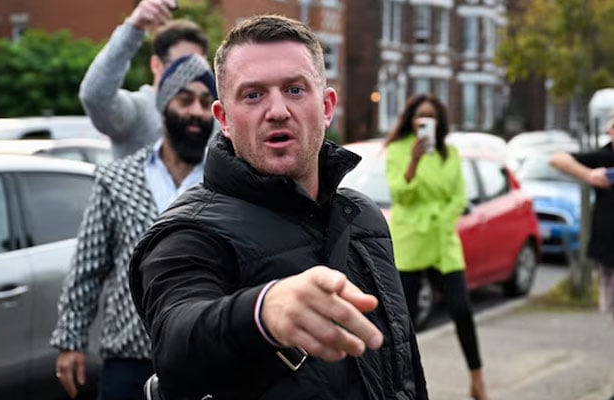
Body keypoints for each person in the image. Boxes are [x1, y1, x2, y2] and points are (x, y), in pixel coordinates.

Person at [129, 15, 428, 400]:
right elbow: (176, 342)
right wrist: (263, 312)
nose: (277, 110)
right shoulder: (189, 232)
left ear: (326, 107)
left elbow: (403, 365)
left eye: (294, 90)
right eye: (253, 95)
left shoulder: (364, 216)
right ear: (224, 120)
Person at [51, 53, 217, 400]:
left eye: (206, 102)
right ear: (163, 105)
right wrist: (70, 341)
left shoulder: (222, 180)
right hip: (128, 358)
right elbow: (87, 267)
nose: (196, 112)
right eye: (185, 99)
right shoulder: (117, 178)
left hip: (203, 357)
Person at [383, 93, 490, 400]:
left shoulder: (450, 154)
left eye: (430, 117)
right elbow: (400, 194)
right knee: (406, 319)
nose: (423, 122)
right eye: (419, 116)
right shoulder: (399, 150)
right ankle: (401, 385)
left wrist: (441, 218)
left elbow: (458, 196)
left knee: (461, 308)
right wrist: (414, 160)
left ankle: (477, 379)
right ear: (411, 120)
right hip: (412, 239)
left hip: (443, 238)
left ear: (439, 122)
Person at [79, 0, 209, 159]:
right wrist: (134, 27)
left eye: (198, 65)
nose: (191, 74)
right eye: (180, 65)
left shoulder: (209, 116)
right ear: (156, 65)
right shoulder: (138, 111)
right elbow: (95, 95)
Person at [550, 115, 614, 324]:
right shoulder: (603, 157)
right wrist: (588, 175)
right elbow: (557, 159)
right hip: (609, 246)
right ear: (609, 132)